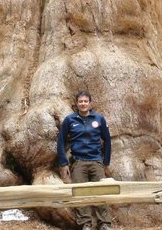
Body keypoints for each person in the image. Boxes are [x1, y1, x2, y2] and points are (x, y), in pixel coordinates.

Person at [57, 90, 113, 230]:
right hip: (78, 162)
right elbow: (61, 141)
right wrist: (63, 163)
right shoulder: (70, 120)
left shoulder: (99, 119)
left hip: (96, 161)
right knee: (79, 193)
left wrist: (106, 161)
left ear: (90, 103)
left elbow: (107, 140)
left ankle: (104, 224)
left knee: (101, 191)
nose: (83, 104)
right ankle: (85, 224)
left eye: (85, 101)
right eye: (80, 101)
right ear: (76, 104)